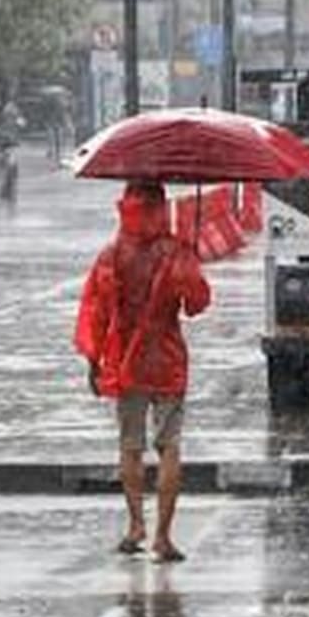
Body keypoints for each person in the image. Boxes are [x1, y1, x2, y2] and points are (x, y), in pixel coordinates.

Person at [74, 180, 211, 563]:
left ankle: (136, 525)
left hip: (127, 361)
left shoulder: (111, 255)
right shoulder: (174, 252)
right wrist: (191, 263)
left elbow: (95, 312)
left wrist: (94, 361)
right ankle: (163, 538)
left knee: (130, 445)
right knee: (169, 444)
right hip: (166, 359)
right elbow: (196, 304)